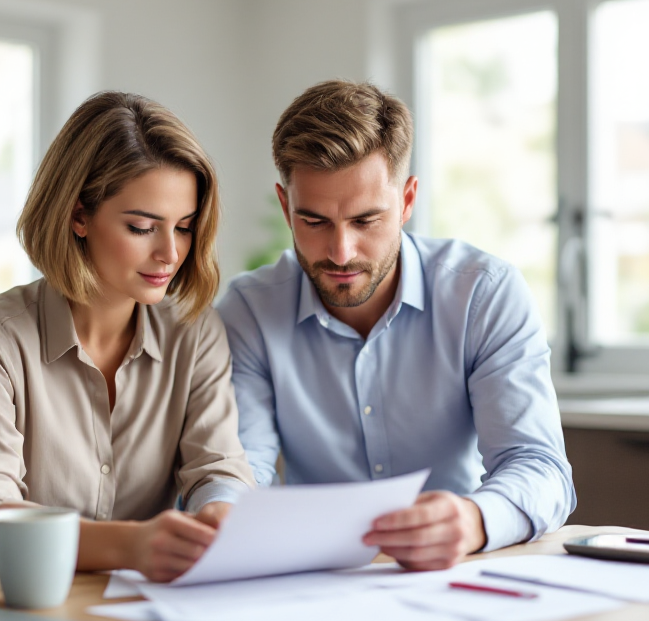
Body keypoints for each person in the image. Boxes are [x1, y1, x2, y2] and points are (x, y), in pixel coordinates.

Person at [216, 80, 574, 571]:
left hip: (456, 573)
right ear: (286, 207)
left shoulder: (483, 294)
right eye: (315, 221)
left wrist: (472, 519)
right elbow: (240, 470)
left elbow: (540, 467)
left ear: (407, 201)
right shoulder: (248, 310)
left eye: (366, 220)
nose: (341, 253)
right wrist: (225, 519)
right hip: (310, 579)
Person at [0, 91, 255, 582]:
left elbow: (218, 466)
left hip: (116, 604)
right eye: (142, 227)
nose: (170, 253)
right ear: (78, 216)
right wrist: (130, 544)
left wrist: (220, 511)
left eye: (184, 227)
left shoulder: (194, 333)